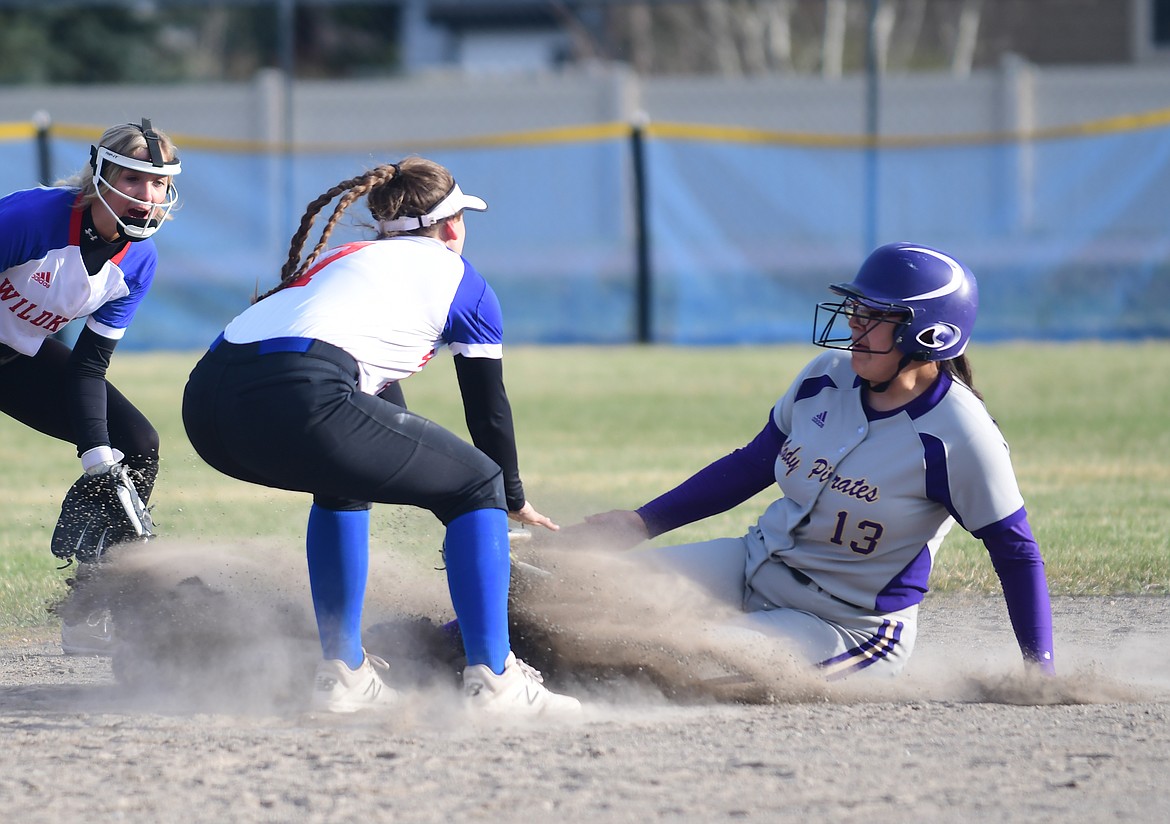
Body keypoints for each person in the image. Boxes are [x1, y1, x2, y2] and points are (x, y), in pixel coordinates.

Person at [181, 156, 581, 716]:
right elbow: (487, 412)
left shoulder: (344, 259)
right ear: (450, 226)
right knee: (477, 483)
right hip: (300, 394)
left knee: (345, 480)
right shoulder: (461, 281)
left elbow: (374, 413)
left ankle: (342, 675)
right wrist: (508, 497)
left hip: (205, 407)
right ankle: (497, 684)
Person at [572, 242, 1054, 680]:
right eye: (857, 309)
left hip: (842, 623)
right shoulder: (826, 377)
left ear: (927, 335)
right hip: (750, 564)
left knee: (664, 662)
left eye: (875, 315)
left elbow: (1015, 552)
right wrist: (639, 522)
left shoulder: (960, 435)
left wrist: (1041, 673)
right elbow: (753, 464)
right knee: (588, 597)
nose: (854, 324)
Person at [0, 118, 182, 655]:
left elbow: (87, 368)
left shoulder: (139, 262)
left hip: (16, 359)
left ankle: (89, 608)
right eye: (132, 179)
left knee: (136, 445)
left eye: (157, 184)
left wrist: (97, 455)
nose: (146, 196)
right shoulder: (31, 218)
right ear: (99, 174)